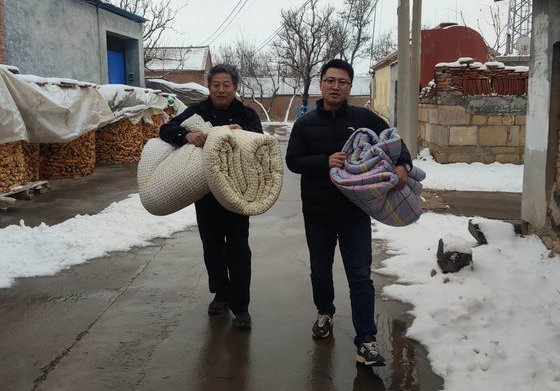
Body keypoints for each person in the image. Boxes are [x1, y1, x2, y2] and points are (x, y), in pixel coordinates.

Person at [285, 58, 413, 366]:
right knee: (320, 270)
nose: (335, 86)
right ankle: (325, 312)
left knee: (360, 275)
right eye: (330, 80)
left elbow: (395, 141)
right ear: (321, 83)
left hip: (355, 213)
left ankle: (366, 339)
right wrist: (324, 161)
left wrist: (403, 166)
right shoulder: (305, 124)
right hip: (317, 213)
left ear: (349, 86)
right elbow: (292, 161)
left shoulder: (364, 118)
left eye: (342, 82)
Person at [160, 64, 263, 330]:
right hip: (205, 193)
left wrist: (245, 134)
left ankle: (242, 307)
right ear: (209, 86)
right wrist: (187, 135)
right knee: (212, 246)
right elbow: (166, 130)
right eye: (216, 84)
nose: (220, 89)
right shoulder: (198, 111)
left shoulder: (246, 114)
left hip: (237, 190)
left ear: (235, 87)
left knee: (238, 249)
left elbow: (261, 141)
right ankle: (221, 293)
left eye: (226, 84)